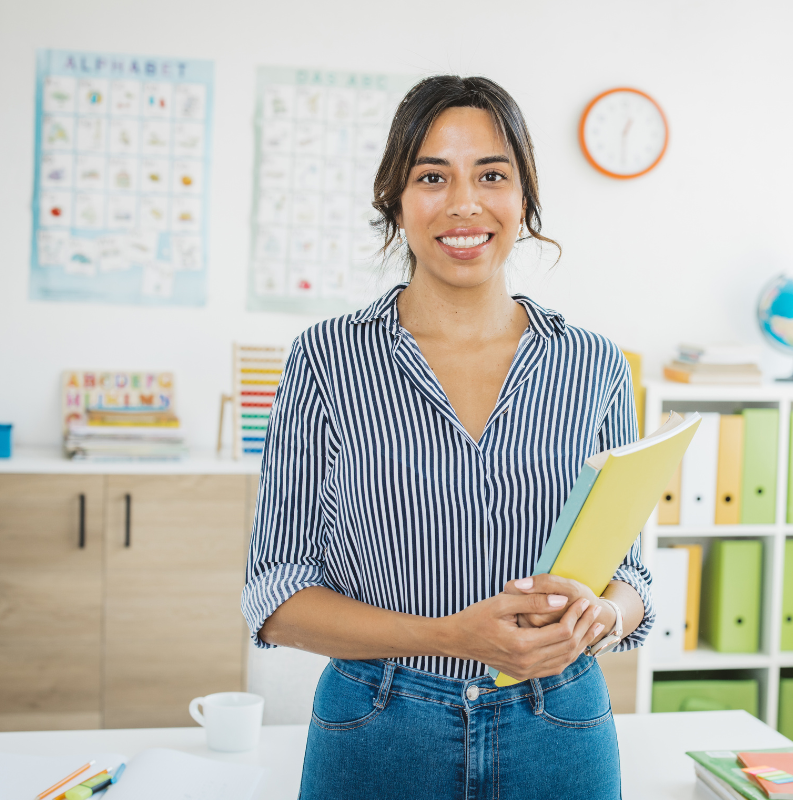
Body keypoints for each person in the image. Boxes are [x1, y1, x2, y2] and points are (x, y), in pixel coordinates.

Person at [241, 75, 654, 800]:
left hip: (559, 725)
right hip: (377, 727)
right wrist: (449, 637)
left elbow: (633, 580)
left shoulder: (593, 365)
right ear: (395, 202)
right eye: (433, 176)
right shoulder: (326, 360)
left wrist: (604, 617)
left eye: (491, 174)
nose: (464, 203)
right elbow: (276, 595)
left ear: (522, 198)